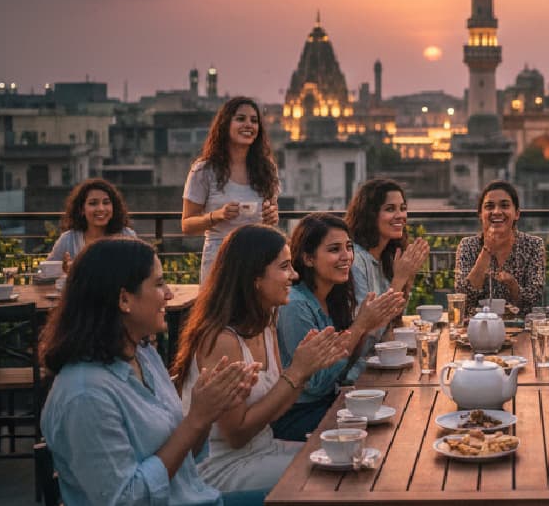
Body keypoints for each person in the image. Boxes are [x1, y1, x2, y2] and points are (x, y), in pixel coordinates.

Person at [40, 237, 265, 506]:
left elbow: (185, 456)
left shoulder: (143, 354)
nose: (169, 293)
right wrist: (196, 417)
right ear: (124, 299)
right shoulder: (86, 396)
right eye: (158, 284)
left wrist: (210, 412)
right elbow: (125, 500)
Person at [170, 225, 350, 492]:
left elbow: (277, 408)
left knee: (348, 457)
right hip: (223, 467)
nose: (294, 275)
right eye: (285, 267)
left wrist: (306, 369)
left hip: (265, 449)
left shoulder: (266, 323)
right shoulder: (223, 340)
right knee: (334, 476)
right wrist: (297, 372)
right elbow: (237, 436)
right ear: (255, 278)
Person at [272, 213, 405, 441]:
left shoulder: (333, 296)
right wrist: (361, 325)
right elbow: (315, 384)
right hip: (299, 415)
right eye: (334, 250)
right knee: (385, 434)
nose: (347, 257)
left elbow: (342, 370)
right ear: (308, 258)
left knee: (397, 412)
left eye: (349, 247)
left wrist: (366, 328)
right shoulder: (295, 305)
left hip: (329, 402)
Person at [182, 97, 280, 281]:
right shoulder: (204, 170)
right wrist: (217, 215)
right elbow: (187, 225)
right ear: (225, 124)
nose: (248, 125)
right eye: (241, 119)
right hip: (220, 256)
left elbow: (271, 215)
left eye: (254, 120)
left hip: (258, 256)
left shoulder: (267, 169)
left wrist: (272, 216)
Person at [455, 180, 545, 317]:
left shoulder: (533, 245)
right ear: (480, 214)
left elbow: (534, 301)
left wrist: (513, 285)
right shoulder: (467, 246)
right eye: (489, 206)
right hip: (477, 330)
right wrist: (486, 251)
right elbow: (463, 301)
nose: (496, 212)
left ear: (517, 214)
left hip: (521, 331)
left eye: (504, 206)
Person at [343, 178, 428, 311]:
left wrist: (408, 279)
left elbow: (396, 319)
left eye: (403, 208)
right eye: (390, 209)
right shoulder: (355, 260)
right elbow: (369, 328)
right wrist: (399, 279)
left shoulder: (388, 255)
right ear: (370, 214)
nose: (400, 215)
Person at [47, 178, 137, 272]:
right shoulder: (67, 240)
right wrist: (64, 270)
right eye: (93, 203)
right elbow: (46, 273)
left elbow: (142, 272)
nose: (101, 208)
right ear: (82, 209)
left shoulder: (127, 236)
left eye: (106, 202)